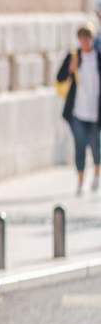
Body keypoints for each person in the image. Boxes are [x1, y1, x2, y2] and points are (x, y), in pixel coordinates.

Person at [56, 22, 101, 195]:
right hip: (77, 112)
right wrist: (70, 68)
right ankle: (81, 182)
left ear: (93, 38)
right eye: (81, 37)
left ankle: (97, 171)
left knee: (96, 146)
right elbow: (59, 78)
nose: (84, 40)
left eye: (87, 36)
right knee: (80, 145)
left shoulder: (98, 58)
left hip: (95, 113)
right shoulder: (74, 57)